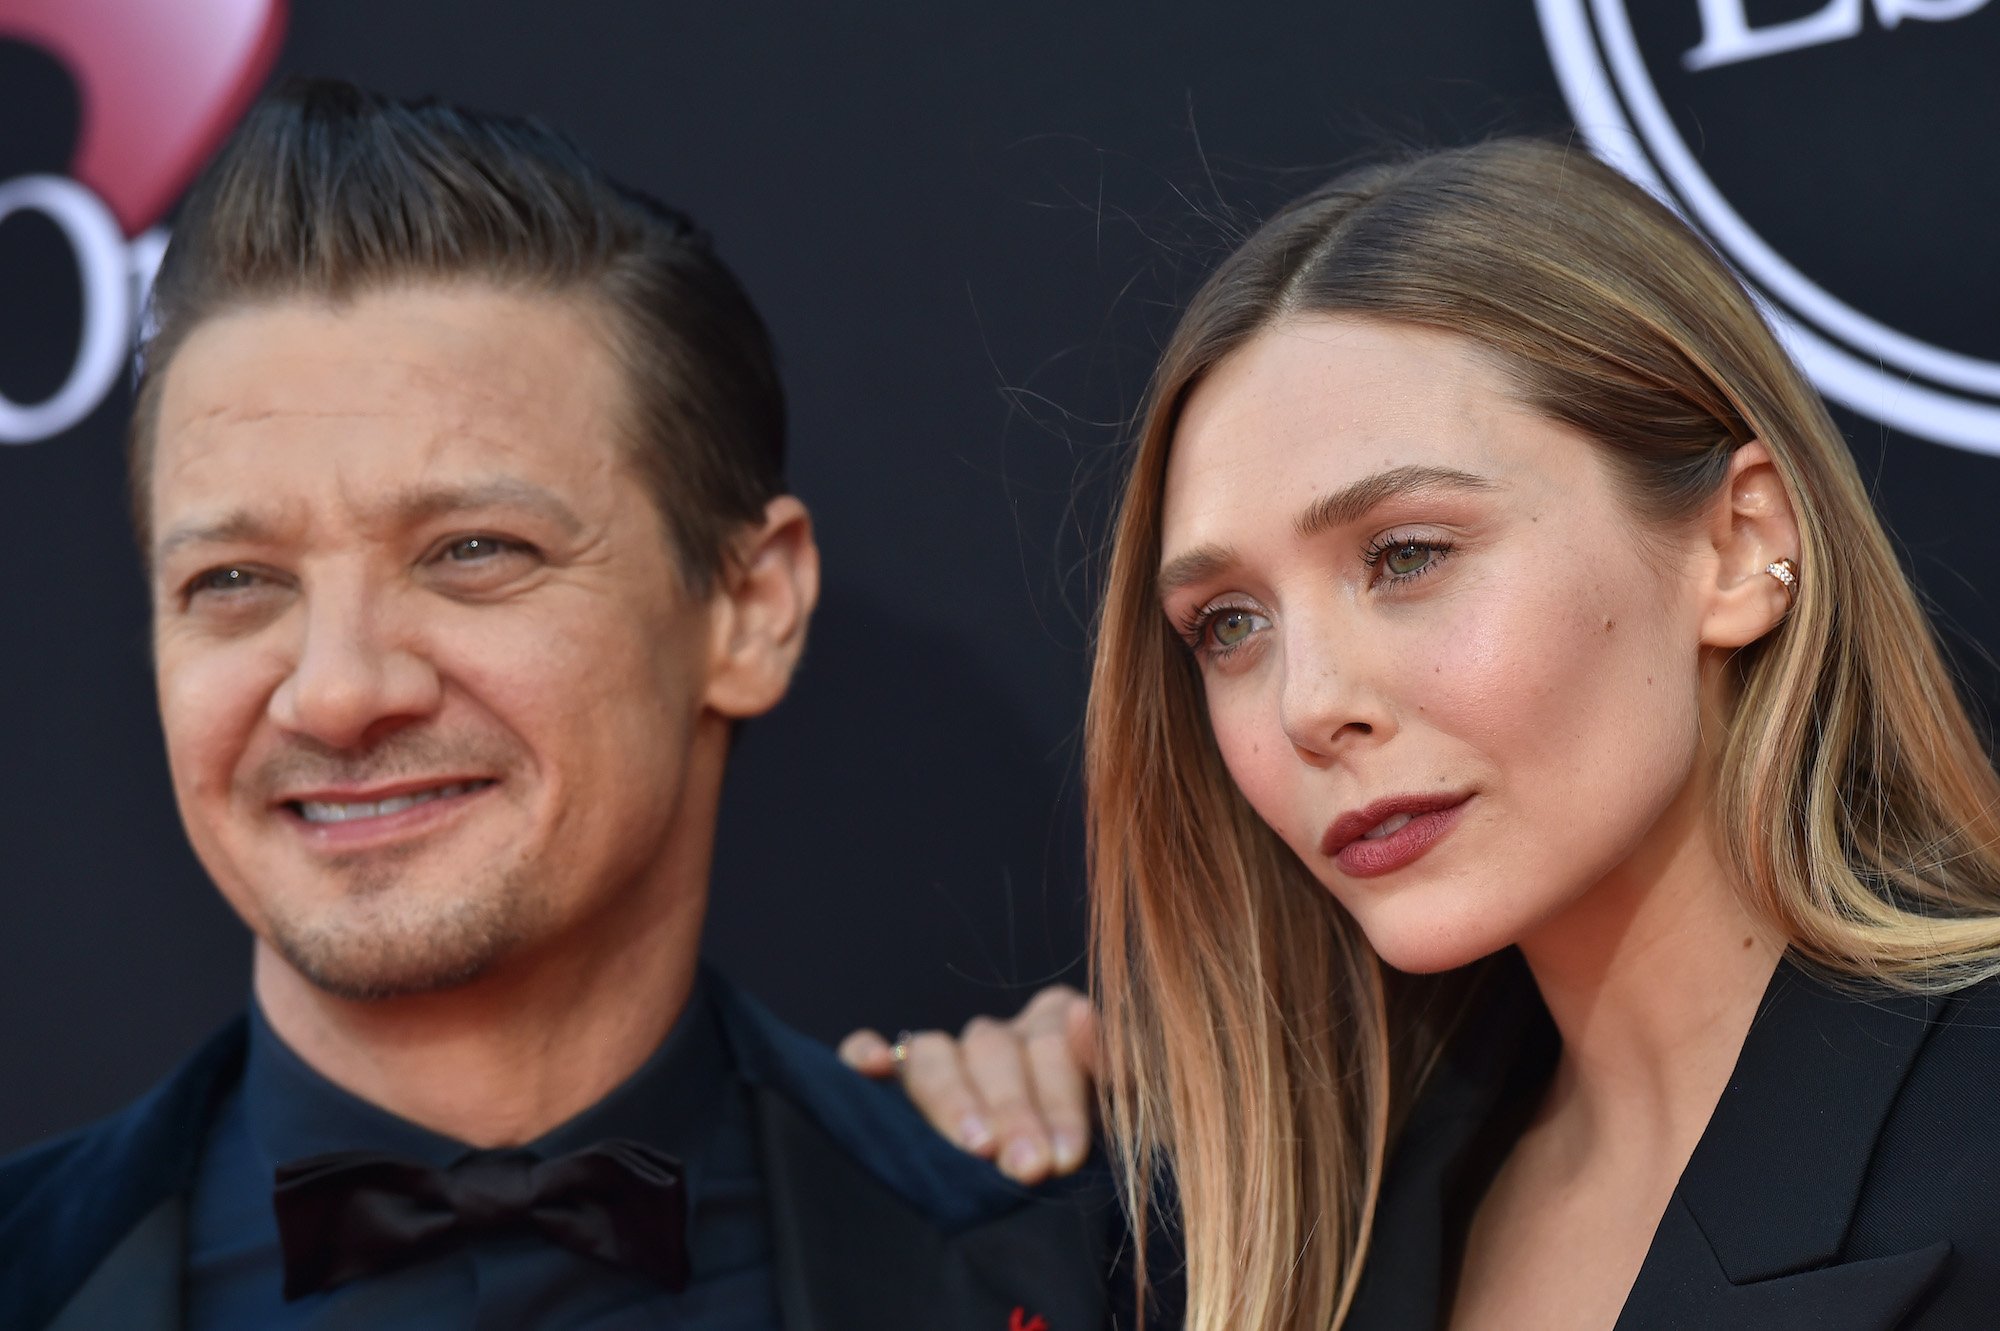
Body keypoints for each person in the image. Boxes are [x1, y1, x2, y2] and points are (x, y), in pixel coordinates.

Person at [0, 79, 1110, 1331]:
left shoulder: (1072, 1262)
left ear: (748, 610)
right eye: (236, 580)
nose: (339, 689)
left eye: (472, 551)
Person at [868, 138, 2000, 1330]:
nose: (1308, 703)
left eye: (1406, 555)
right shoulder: (1276, 1245)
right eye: (1228, 624)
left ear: (1732, 545)